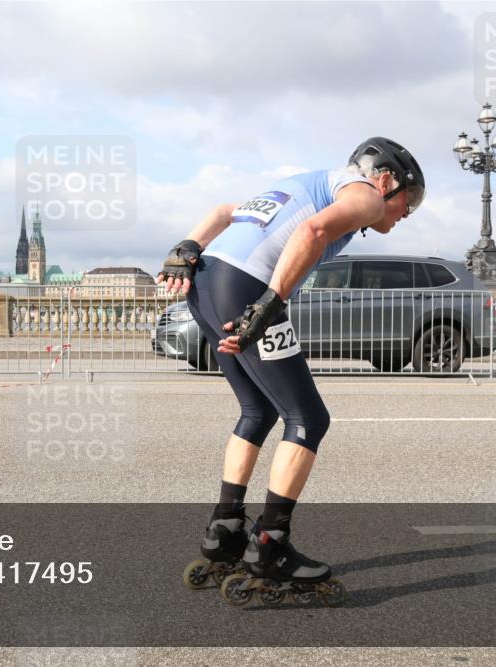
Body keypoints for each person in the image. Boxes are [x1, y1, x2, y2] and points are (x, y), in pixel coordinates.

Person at [160, 138, 424, 603]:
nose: (408, 212)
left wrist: (187, 246)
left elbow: (225, 211)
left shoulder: (304, 183)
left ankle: (224, 531)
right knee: (308, 420)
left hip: (206, 280)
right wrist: (268, 304)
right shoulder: (362, 194)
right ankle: (270, 546)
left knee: (257, 410)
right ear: (386, 179)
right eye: (410, 199)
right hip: (245, 286)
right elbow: (313, 234)